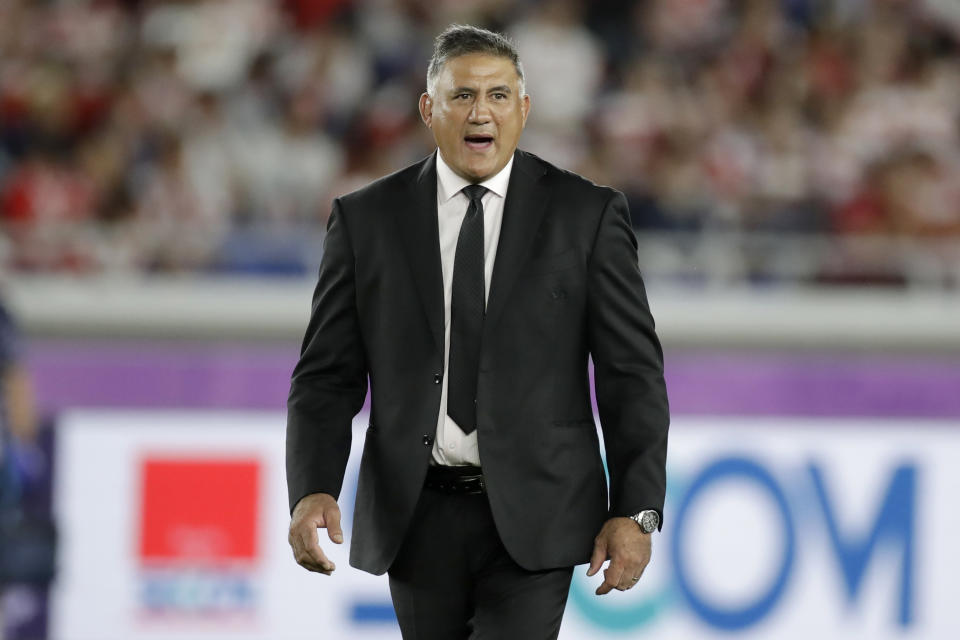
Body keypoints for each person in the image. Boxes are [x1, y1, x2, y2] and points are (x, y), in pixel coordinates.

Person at [286, 24, 669, 639]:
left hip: (539, 512)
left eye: (496, 96)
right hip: (416, 515)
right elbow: (325, 375)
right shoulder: (366, 220)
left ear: (523, 109)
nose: (479, 112)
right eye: (462, 95)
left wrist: (636, 510)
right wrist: (311, 488)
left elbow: (633, 377)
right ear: (427, 108)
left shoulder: (587, 215)